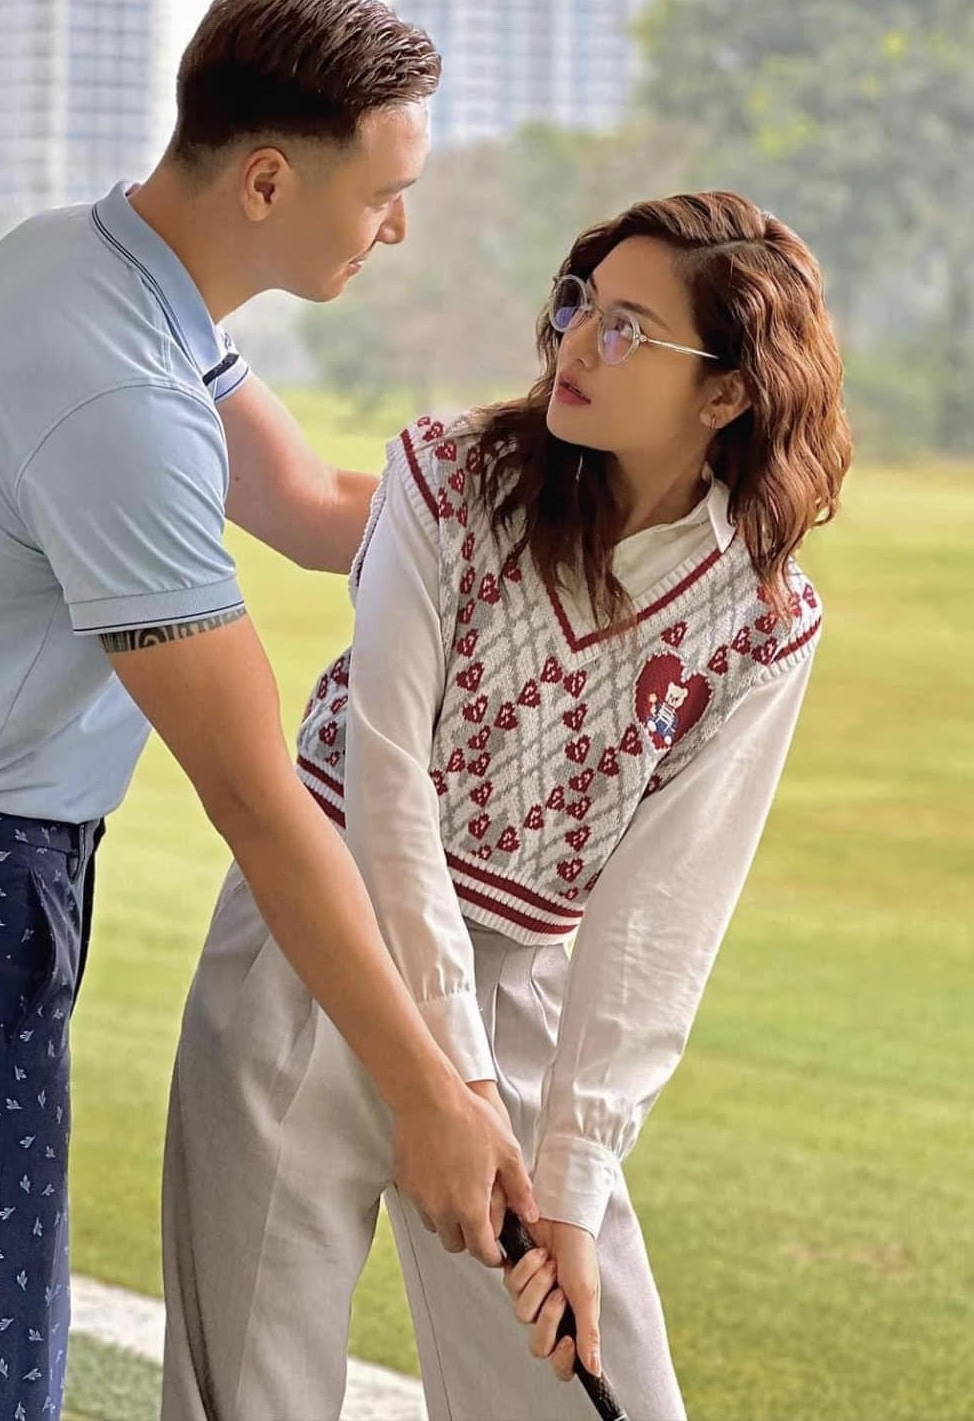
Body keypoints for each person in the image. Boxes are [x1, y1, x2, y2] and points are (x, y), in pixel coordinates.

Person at [0, 0, 538, 1421]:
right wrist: (433, 1092)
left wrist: (571, 492)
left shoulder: (95, 265)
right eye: (385, 194)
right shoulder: (115, 394)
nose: (396, 229)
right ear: (268, 181)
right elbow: (257, 800)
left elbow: (316, 511)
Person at [161, 191, 852, 1420]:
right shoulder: (446, 475)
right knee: (250, 1397)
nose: (577, 341)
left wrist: (570, 1186)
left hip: (517, 991)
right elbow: (386, 788)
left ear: (727, 393)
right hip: (309, 953)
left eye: (629, 329)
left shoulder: (763, 619)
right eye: (582, 305)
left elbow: (660, 923)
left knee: (594, 1390)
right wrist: (452, 1091)